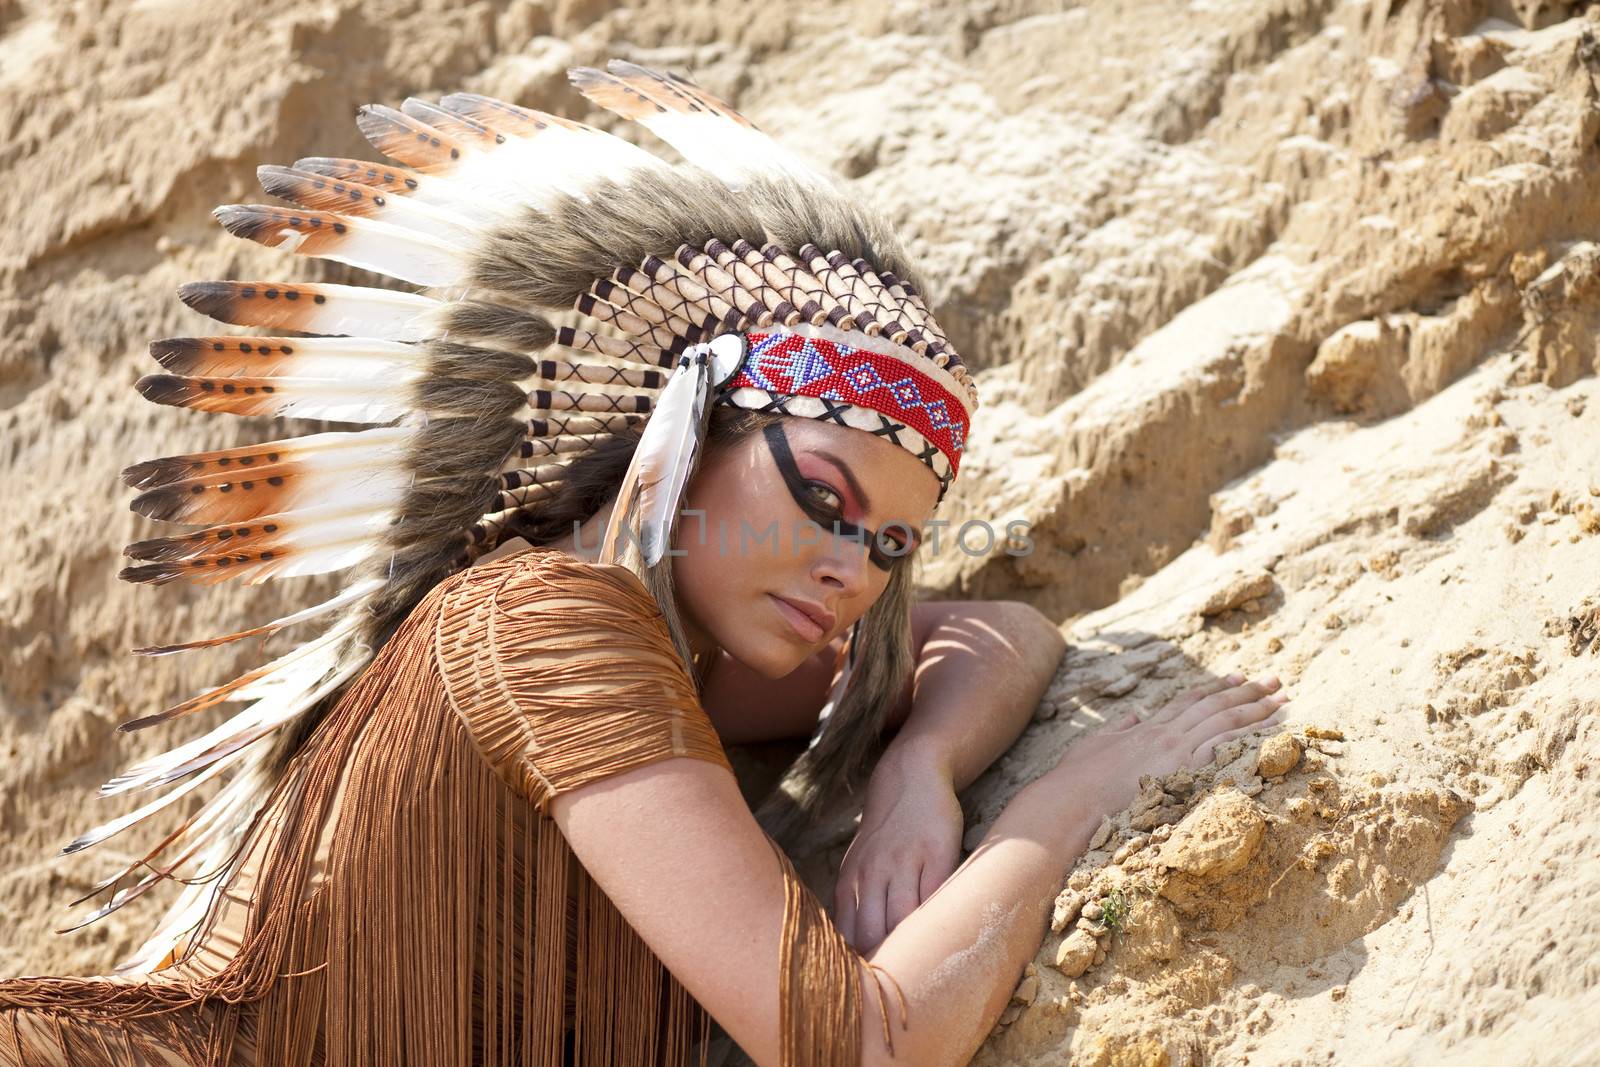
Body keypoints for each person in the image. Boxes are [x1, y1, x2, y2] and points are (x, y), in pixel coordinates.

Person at [0, 62, 1287, 1067]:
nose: (853, 569)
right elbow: (862, 1039)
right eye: (824, 498)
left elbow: (998, 633)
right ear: (682, 432)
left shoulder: (655, 651)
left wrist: (916, 774)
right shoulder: (553, 629)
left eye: (890, 543)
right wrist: (1074, 800)